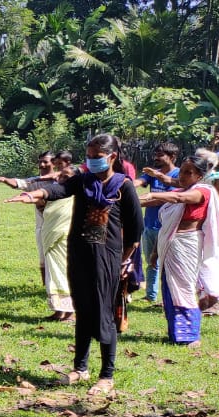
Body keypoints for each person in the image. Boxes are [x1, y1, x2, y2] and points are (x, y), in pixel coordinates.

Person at [59, 134, 143, 394]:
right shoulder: (83, 182)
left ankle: (107, 375)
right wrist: (35, 193)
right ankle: (80, 368)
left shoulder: (122, 186)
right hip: (80, 255)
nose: (92, 162)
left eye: (97, 158)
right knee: (83, 309)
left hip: (107, 259)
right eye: (89, 157)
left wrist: (122, 259)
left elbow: (135, 230)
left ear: (112, 157)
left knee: (103, 313)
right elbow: (59, 189)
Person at [141, 149, 219, 346]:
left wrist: (151, 193)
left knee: (183, 289)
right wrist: (126, 200)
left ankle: (191, 336)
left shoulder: (202, 192)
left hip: (187, 245)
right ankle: (176, 333)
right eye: (182, 171)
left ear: (200, 176)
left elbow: (178, 199)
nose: (183, 176)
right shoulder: (181, 190)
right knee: (168, 289)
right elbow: (157, 200)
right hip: (169, 245)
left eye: (188, 173)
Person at [6, 164, 79, 320]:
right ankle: (59, 310)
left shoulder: (77, 195)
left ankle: (70, 312)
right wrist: (30, 198)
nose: (61, 179)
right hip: (50, 238)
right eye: (61, 176)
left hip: (64, 240)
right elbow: (44, 207)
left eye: (67, 177)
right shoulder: (54, 192)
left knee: (65, 274)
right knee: (52, 274)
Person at [135, 143, 181, 304]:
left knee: (168, 264)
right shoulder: (154, 173)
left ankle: (168, 297)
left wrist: (134, 203)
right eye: (156, 154)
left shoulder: (179, 175)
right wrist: (125, 185)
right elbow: (139, 181)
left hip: (169, 227)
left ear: (172, 157)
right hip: (149, 225)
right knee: (151, 261)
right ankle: (150, 295)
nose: (156, 157)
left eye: (160, 154)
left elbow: (160, 201)